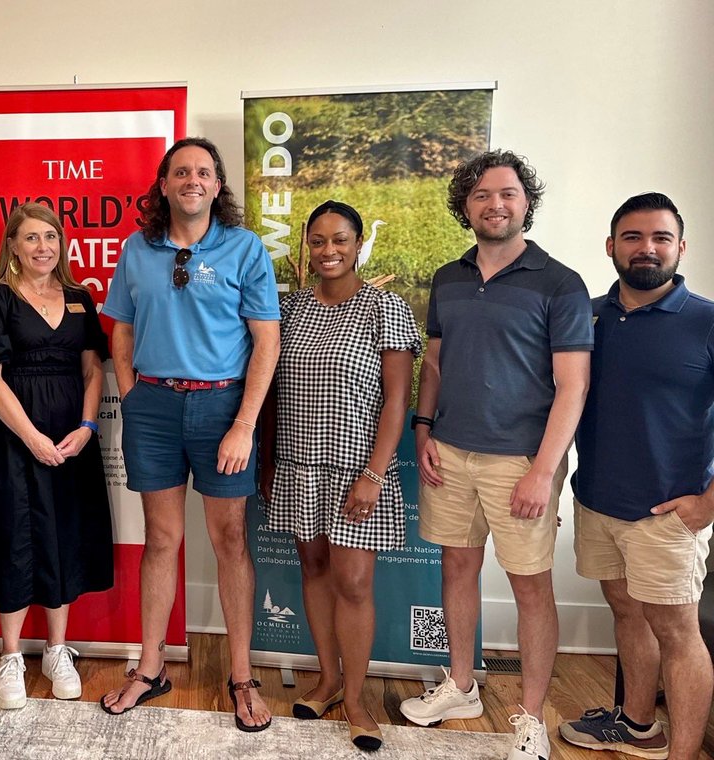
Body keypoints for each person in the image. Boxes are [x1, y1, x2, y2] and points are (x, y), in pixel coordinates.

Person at [400, 150, 592, 760]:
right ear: (466, 206)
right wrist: (423, 429)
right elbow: (433, 362)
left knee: (530, 586)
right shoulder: (448, 277)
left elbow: (574, 385)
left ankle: (530, 717)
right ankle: (460, 685)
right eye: (482, 195)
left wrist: (543, 470)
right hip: (450, 450)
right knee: (456, 567)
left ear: (526, 202)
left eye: (507, 193)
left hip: (521, 461)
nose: (495, 204)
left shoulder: (561, 283)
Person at [99, 137, 280, 731]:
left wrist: (244, 425)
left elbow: (265, 342)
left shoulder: (244, 248)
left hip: (222, 407)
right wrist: (131, 393)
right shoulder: (137, 249)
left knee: (230, 542)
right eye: (181, 172)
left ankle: (241, 675)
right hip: (152, 407)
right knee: (161, 540)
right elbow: (119, 330)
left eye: (203, 172)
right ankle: (149, 668)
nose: (192, 180)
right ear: (164, 184)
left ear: (217, 185)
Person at [260, 200, 420, 751]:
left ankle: (356, 699)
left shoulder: (385, 308)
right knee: (314, 568)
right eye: (319, 240)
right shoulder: (290, 308)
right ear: (307, 246)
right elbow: (271, 389)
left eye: (341, 240)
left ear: (357, 245)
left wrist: (375, 474)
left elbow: (397, 401)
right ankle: (327, 679)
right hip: (298, 465)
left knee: (353, 582)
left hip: (358, 469)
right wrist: (268, 460)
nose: (329, 250)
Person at [559, 192, 711, 760]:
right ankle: (638, 726)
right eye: (633, 237)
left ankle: (683, 754)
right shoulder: (588, 317)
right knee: (627, 614)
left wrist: (708, 503)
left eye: (660, 238)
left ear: (680, 247)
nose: (646, 249)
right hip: (598, 502)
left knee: (678, 633)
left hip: (670, 512)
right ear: (611, 246)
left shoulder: (706, 320)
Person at [0, 202, 113, 709]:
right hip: (12, 437)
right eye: (30, 238)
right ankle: (10, 657)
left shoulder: (78, 298)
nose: (42, 247)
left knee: (63, 534)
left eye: (50, 237)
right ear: (12, 245)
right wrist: (31, 437)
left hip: (71, 438)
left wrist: (88, 426)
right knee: (13, 535)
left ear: (61, 243)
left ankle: (56, 649)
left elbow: (93, 370)